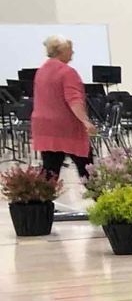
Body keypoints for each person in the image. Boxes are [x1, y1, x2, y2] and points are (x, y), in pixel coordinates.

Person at [31, 36, 95, 193]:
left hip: (44, 127)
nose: (73, 52)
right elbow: (74, 100)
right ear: (61, 51)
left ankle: (40, 204)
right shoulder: (67, 72)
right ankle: (102, 201)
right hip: (66, 127)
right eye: (70, 49)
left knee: (50, 169)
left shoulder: (41, 71)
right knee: (86, 166)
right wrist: (85, 121)